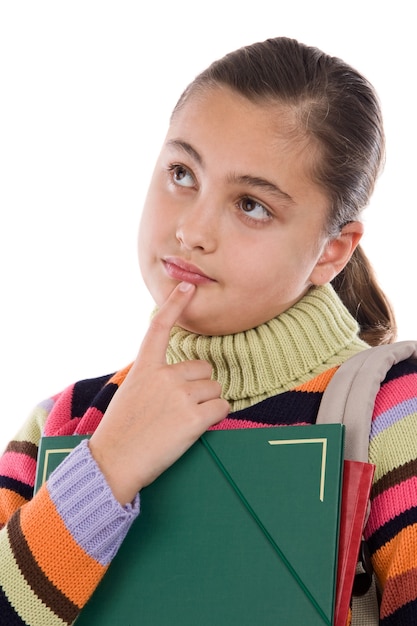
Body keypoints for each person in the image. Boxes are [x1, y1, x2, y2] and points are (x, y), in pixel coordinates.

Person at [0, 36, 415, 626]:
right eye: (182, 173)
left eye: (251, 205)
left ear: (332, 251)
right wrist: (108, 465)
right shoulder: (62, 424)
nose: (192, 230)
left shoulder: (393, 414)